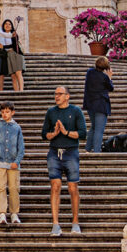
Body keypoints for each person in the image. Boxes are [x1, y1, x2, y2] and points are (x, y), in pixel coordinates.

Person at [42, 85, 86, 236]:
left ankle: (75, 222)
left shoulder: (76, 111)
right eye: (55, 94)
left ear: (67, 96)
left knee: (73, 187)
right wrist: (54, 133)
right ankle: (55, 224)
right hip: (54, 152)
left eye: (60, 94)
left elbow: (82, 133)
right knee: (55, 185)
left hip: (71, 152)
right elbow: (44, 134)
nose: (56, 96)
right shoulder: (51, 112)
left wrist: (66, 132)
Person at [0, 100, 25, 227]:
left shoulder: (17, 128)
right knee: (1, 187)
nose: (5, 114)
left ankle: (14, 213)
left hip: (13, 163)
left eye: (7, 112)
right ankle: (2, 213)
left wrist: (17, 161)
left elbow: (21, 147)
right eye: (3, 112)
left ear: (12, 113)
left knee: (14, 188)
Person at [82, 55, 114, 153]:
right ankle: (96, 152)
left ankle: (88, 149)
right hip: (101, 105)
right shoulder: (104, 77)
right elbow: (111, 88)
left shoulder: (90, 72)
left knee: (93, 127)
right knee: (99, 130)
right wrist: (109, 77)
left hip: (90, 104)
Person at [1, 17, 26, 92]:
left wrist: (15, 37)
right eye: (6, 24)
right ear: (3, 26)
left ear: (11, 26)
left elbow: (14, 45)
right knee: (13, 75)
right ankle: (16, 91)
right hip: (8, 55)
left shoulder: (13, 34)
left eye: (9, 24)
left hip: (16, 54)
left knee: (18, 73)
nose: (8, 25)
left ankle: (21, 91)